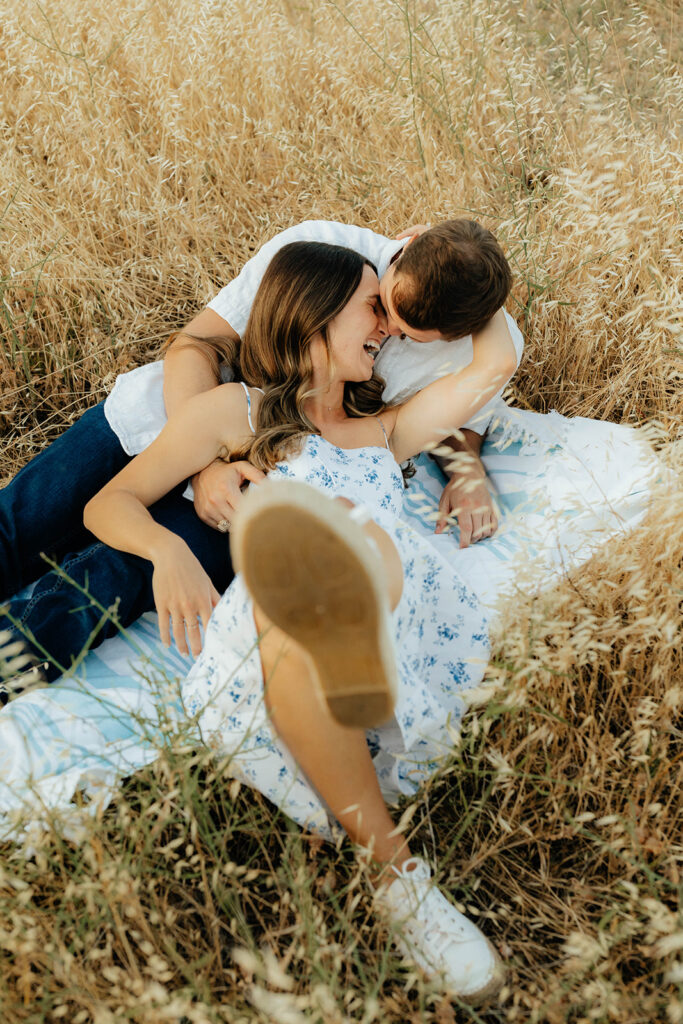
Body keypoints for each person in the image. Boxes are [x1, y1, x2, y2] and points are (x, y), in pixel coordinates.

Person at [2, 241, 516, 1001]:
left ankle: (333, 558)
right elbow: (108, 502)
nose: (387, 329)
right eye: (371, 308)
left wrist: (441, 259)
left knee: (358, 543)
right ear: (313, 312)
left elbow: (491, 363)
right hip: (286, 613)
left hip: (383, 600)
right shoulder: (236, 414)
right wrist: (167, 550)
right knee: (294, 590)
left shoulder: (384, 429)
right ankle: (398, 874)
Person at [0, 218, 519, 683]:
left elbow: (473, 400)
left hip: (258, 477)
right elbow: (194, 346)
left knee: (108, 576)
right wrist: (206, 468)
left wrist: (483, 292)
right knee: (20, 524)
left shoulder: (413, 395)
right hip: (165, 418)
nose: (390, 331)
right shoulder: (322, 254)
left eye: (415, 335)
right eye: (381, 309)